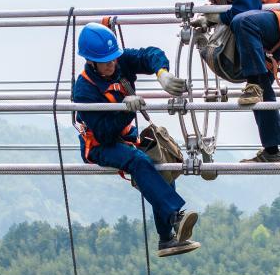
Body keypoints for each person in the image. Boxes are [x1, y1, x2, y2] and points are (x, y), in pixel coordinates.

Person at [72, 22, 200, 257]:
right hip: (100, 145)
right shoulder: (84, 90)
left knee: (158, 161)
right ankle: (174, 217)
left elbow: (150, 54)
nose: (112, 64)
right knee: (137, 160)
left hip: (124, 135)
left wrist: (162, 73)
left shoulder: (120, 62)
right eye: (106, 62)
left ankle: (167, 240)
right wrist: (126, 110)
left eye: (114, 59)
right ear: (91, 61)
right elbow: (104, 133)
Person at [174, 0, 280, 163]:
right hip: (256, 33)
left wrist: (216, 16)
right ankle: (272, 150)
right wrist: (208, 20)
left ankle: (254, 83)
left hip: (276, 23)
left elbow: (246, 9)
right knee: (260, 85)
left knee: (254, 78)